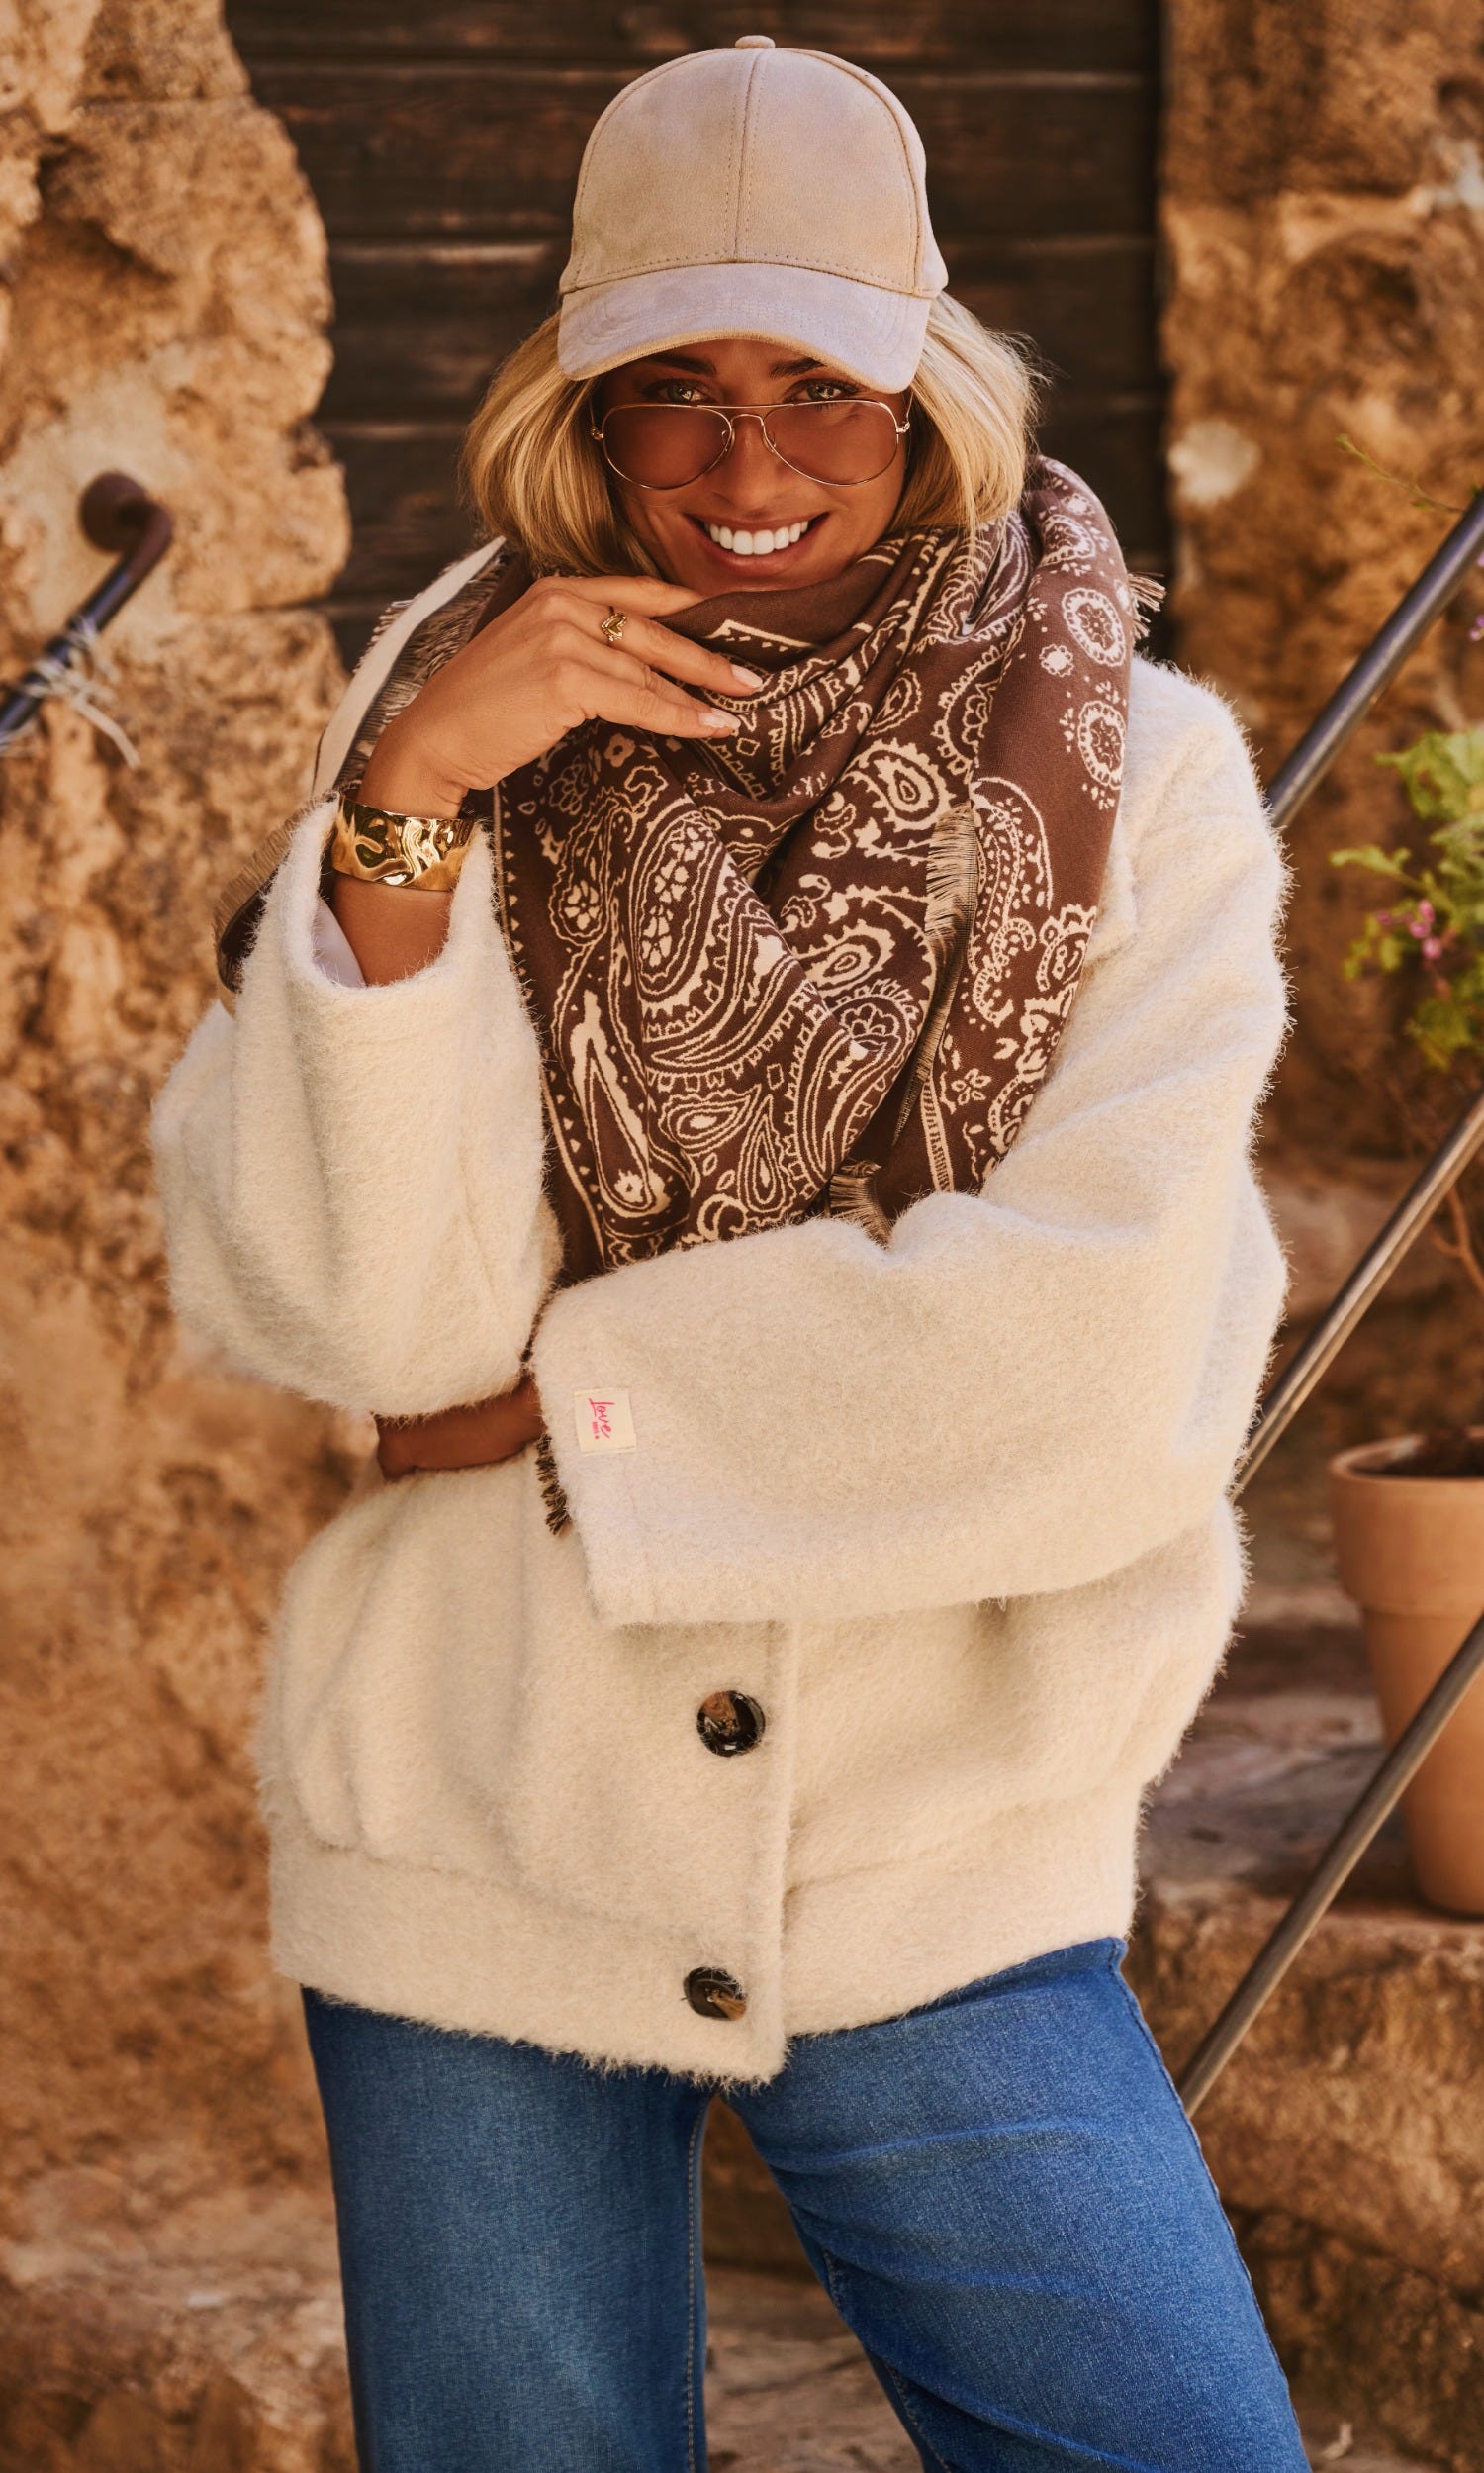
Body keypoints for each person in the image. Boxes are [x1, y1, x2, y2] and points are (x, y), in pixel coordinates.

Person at [152, 36, 1308, 2473]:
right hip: (475, 1808)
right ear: (582, 410)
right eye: (674, 391)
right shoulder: (451, 709)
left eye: (820, 391)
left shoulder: (1139, 774)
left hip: (935, 1837)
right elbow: (360, 1323)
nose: (748, 465)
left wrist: (569, 1413)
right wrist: (405, 806)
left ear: (928, 392)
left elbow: (1099, 1366)